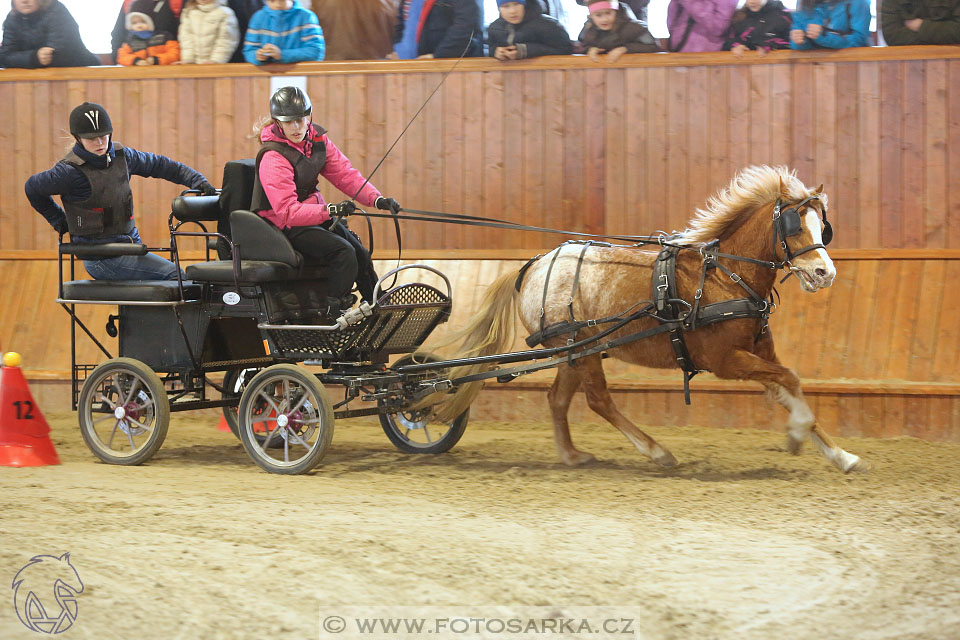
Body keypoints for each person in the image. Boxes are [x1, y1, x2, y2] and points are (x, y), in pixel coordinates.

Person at [24, 102, 217, 281]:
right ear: (78, 139)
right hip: (101, 260)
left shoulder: (124, 157)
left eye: (104, 135)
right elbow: (32, 188)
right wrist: (59, 220)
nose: (100, 142)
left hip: (130, 248)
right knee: (176, 277)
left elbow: (162, 165)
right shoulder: (68, 172)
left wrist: (196, 180)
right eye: (92, 139)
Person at [250, 86, 401, 306]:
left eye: (301, 119)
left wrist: (376, 199)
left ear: (309, 116)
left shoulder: (317, 140)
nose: (296, 127)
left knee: (360, 252)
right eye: (289, 121)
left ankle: (378, 306)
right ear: (277, 122)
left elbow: (344, 174)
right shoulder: (273, 157)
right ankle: (330, 311)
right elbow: (287, 212)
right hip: (281, 225)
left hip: (311, 215)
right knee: (344, 253)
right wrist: (329, 210)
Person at [0, 0, 100, 68]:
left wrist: (33, 59)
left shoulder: (57, 10)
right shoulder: (12, 18)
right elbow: (4, 57)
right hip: (38, 79)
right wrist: (34, 57)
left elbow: (58, 54)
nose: (25, 0)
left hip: (81, 70)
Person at [387, 0, 483, 59]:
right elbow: (402, 23)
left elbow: (467, 26)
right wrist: (399, 50)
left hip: (446, 66)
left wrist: (438, 56)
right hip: (412, 64)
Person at [242, 0, 324, 65]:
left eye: (282, 0)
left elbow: (315, 51)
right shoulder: (258, 17)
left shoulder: (306, 17)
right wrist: (257, 56)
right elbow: (249, 51)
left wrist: (282, 55)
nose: (278, 4)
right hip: (266, 75)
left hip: (299, 74)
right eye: (272, 0)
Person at [488, 0, 573, 62]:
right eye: (505, 6)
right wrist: (496, 52)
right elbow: (490, 48)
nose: (512, 11)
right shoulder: (495, 28)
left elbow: (566, 49)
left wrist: (526, 50)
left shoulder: (548, 25)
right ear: (499, 8)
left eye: (517, 4)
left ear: (525, 4)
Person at [578, 0, 660, 62]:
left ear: (615, 12)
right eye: (598, 15)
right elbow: (584, 46)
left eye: (608, 13)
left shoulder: (634, 28)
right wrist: (591, 49)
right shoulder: (589, 31)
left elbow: (653, 46)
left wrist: (625, 49)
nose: (605, 19)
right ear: (591, 16)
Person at [110, 0, 182, 64]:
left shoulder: (165, 38)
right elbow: (121, 55)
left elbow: (174, 53)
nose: (139, 26)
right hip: (136, 72)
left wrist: (157, 60)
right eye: (134, 23)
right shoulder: (130, 41)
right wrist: (135, 61)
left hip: (166, 70)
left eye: (143, 22)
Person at [178, 0, 240, 64]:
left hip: (216, 66)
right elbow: (186, 38)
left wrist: (216, 60)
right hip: (193, 66)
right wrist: (188, 59)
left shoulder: (225, 13)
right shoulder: (189, 11)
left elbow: (226, 40)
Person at [790, 0, 870, 49]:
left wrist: (824, 36)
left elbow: (860, 40)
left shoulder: (858, 2)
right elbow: (798, 45)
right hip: (812, 67)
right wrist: (799, 40)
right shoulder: (805, 3)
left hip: (851, 66)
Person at [722, 0, 792, 57]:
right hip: (746, 66)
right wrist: (736, 46)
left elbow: (790, 41)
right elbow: (730, 40)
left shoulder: (781, 14)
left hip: (777, 66)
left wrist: (770, 46)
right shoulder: (740, 16)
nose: (752, 1)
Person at [666, 0, 738, 52]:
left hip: (705, 58)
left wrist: (690, 2)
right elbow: (672, 18)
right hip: (677, 51)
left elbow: (718, 28)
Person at [881, 0, 960, 46]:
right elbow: (892, 36)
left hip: (952, 63)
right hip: (907, 63)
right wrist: (941, 37)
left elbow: (957, 32)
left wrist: (921, 26)